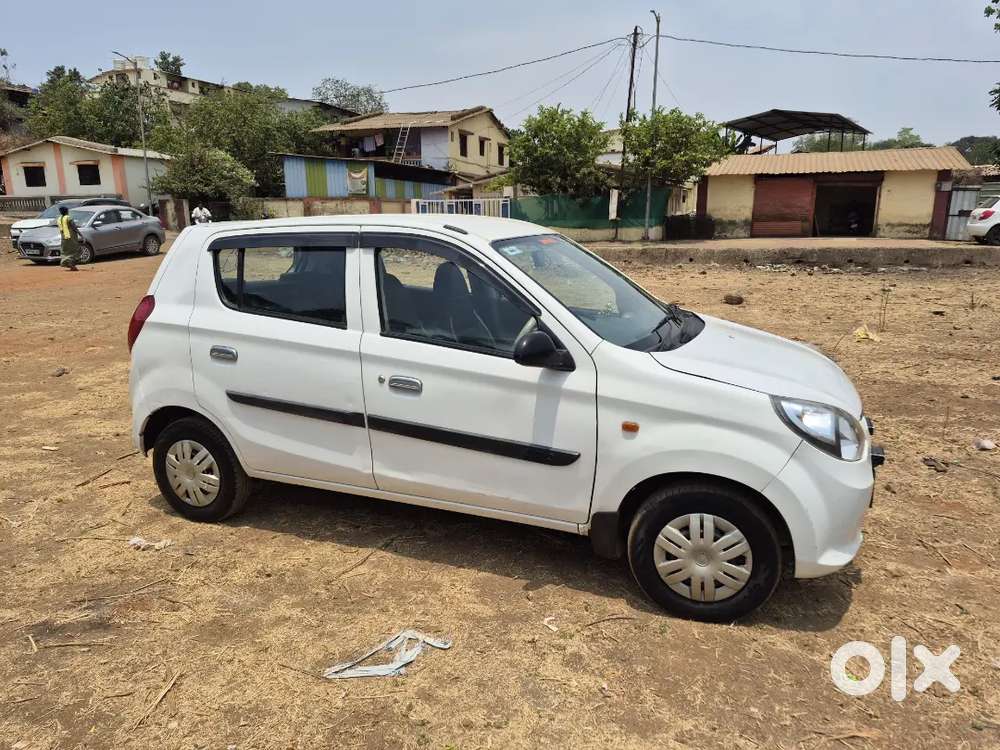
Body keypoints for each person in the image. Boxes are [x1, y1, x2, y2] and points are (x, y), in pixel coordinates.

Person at [57, 206, 82, 272]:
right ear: (66, 211)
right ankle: (72, 264)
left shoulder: (59, 219)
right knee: (76, 250)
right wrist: (81, 235)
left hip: (63, 238)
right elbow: (74, 228)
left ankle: (68, 264)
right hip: (71, 237)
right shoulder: (68, 218)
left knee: (65, 252)